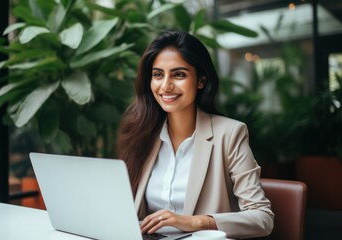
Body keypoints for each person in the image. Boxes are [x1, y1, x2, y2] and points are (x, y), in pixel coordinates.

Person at [117, 30, 274, 239]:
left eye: (179, 74)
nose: (166, 85)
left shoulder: (230, 134)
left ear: (201, 80)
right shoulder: (141, 134)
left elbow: (262, 218)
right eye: (158, 75)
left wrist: (196, 222)